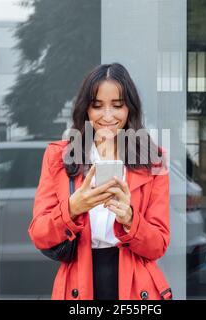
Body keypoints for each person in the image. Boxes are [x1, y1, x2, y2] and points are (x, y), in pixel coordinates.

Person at [28, 63, 172, 300]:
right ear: (86, 109)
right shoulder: (59, 156)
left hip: (136, 287)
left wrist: (130, 219)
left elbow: (158, 246)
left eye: (117, 105)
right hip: (78, 284)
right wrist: (73, 208)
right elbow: (39, 235)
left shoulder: (154, 160)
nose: (107, 116)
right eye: (97, 106)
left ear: (130, 109)